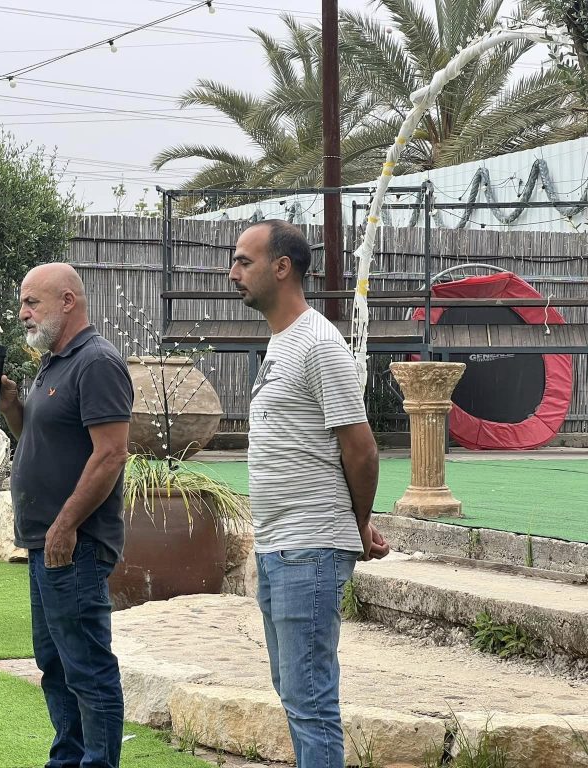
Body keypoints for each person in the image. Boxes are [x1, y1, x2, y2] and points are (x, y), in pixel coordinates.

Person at [229, 220, 390, 768]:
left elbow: (361, 450)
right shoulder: (283, 341)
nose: (233, 273)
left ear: (282, 268)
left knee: (310, 699)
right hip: (279, 546)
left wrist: (355, 524)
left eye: (244, 261)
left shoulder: (319, 344)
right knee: (294, 691)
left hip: (309, 548)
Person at [0, 262, 133, 768]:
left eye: (32, 302)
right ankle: (67, 759)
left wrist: (66, 525)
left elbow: (111, 454)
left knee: (86, 666)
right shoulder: (54, 363)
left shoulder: (96, 362)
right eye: (22, 303)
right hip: (46, 541)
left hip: (75, 545)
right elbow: (39, 441)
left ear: (68, 301)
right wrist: (11, 406)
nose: (23, 313)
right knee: (55, 664)